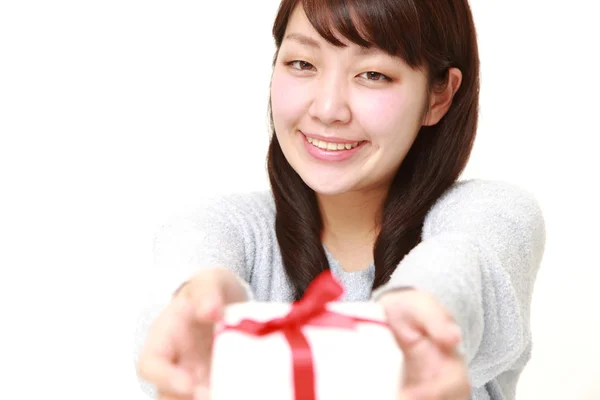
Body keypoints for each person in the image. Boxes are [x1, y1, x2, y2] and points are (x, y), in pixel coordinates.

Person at [134, 0, 546, 399]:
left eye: (372, 74)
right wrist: (196, 306)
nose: (329, 109)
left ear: (439, 96)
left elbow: (462, 264)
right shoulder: (225, 228)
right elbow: (190, 261)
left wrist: (421, 310)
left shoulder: (490, 215)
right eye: (303, 64)